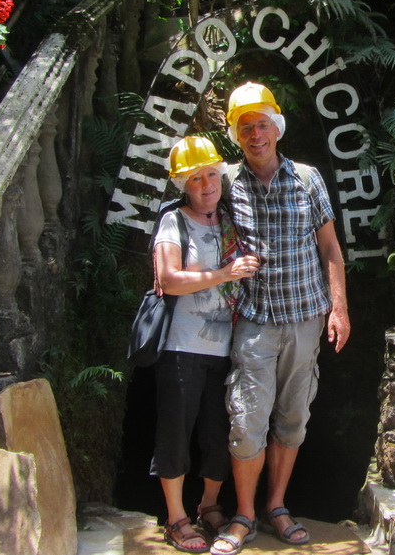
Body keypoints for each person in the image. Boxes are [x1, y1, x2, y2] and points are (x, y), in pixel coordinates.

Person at [210, 82, 351, 555]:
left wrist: (340, 309)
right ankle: (243, 513)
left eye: (262, 124)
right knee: (247, 420)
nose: (255, 134)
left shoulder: (308, 179)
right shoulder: (227, 183)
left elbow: (330, 248)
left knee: (292, 418)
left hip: (306, 319)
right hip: (254, 320)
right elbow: (191, 203)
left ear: (277, 127)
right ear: (237, 134)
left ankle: (276, 506)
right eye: (245, 127)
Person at [151, 135, 260, 554]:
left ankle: (208, 506)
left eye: (212, 174)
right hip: (181, 348)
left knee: (220, 433)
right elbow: (169, 280)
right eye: (196, 178)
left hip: (226, 349)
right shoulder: (173, 222)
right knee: (176, 432)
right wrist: (226, 273)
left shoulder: (228, 220)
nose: (206, 184)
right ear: (183, 184)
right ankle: (176, 518)